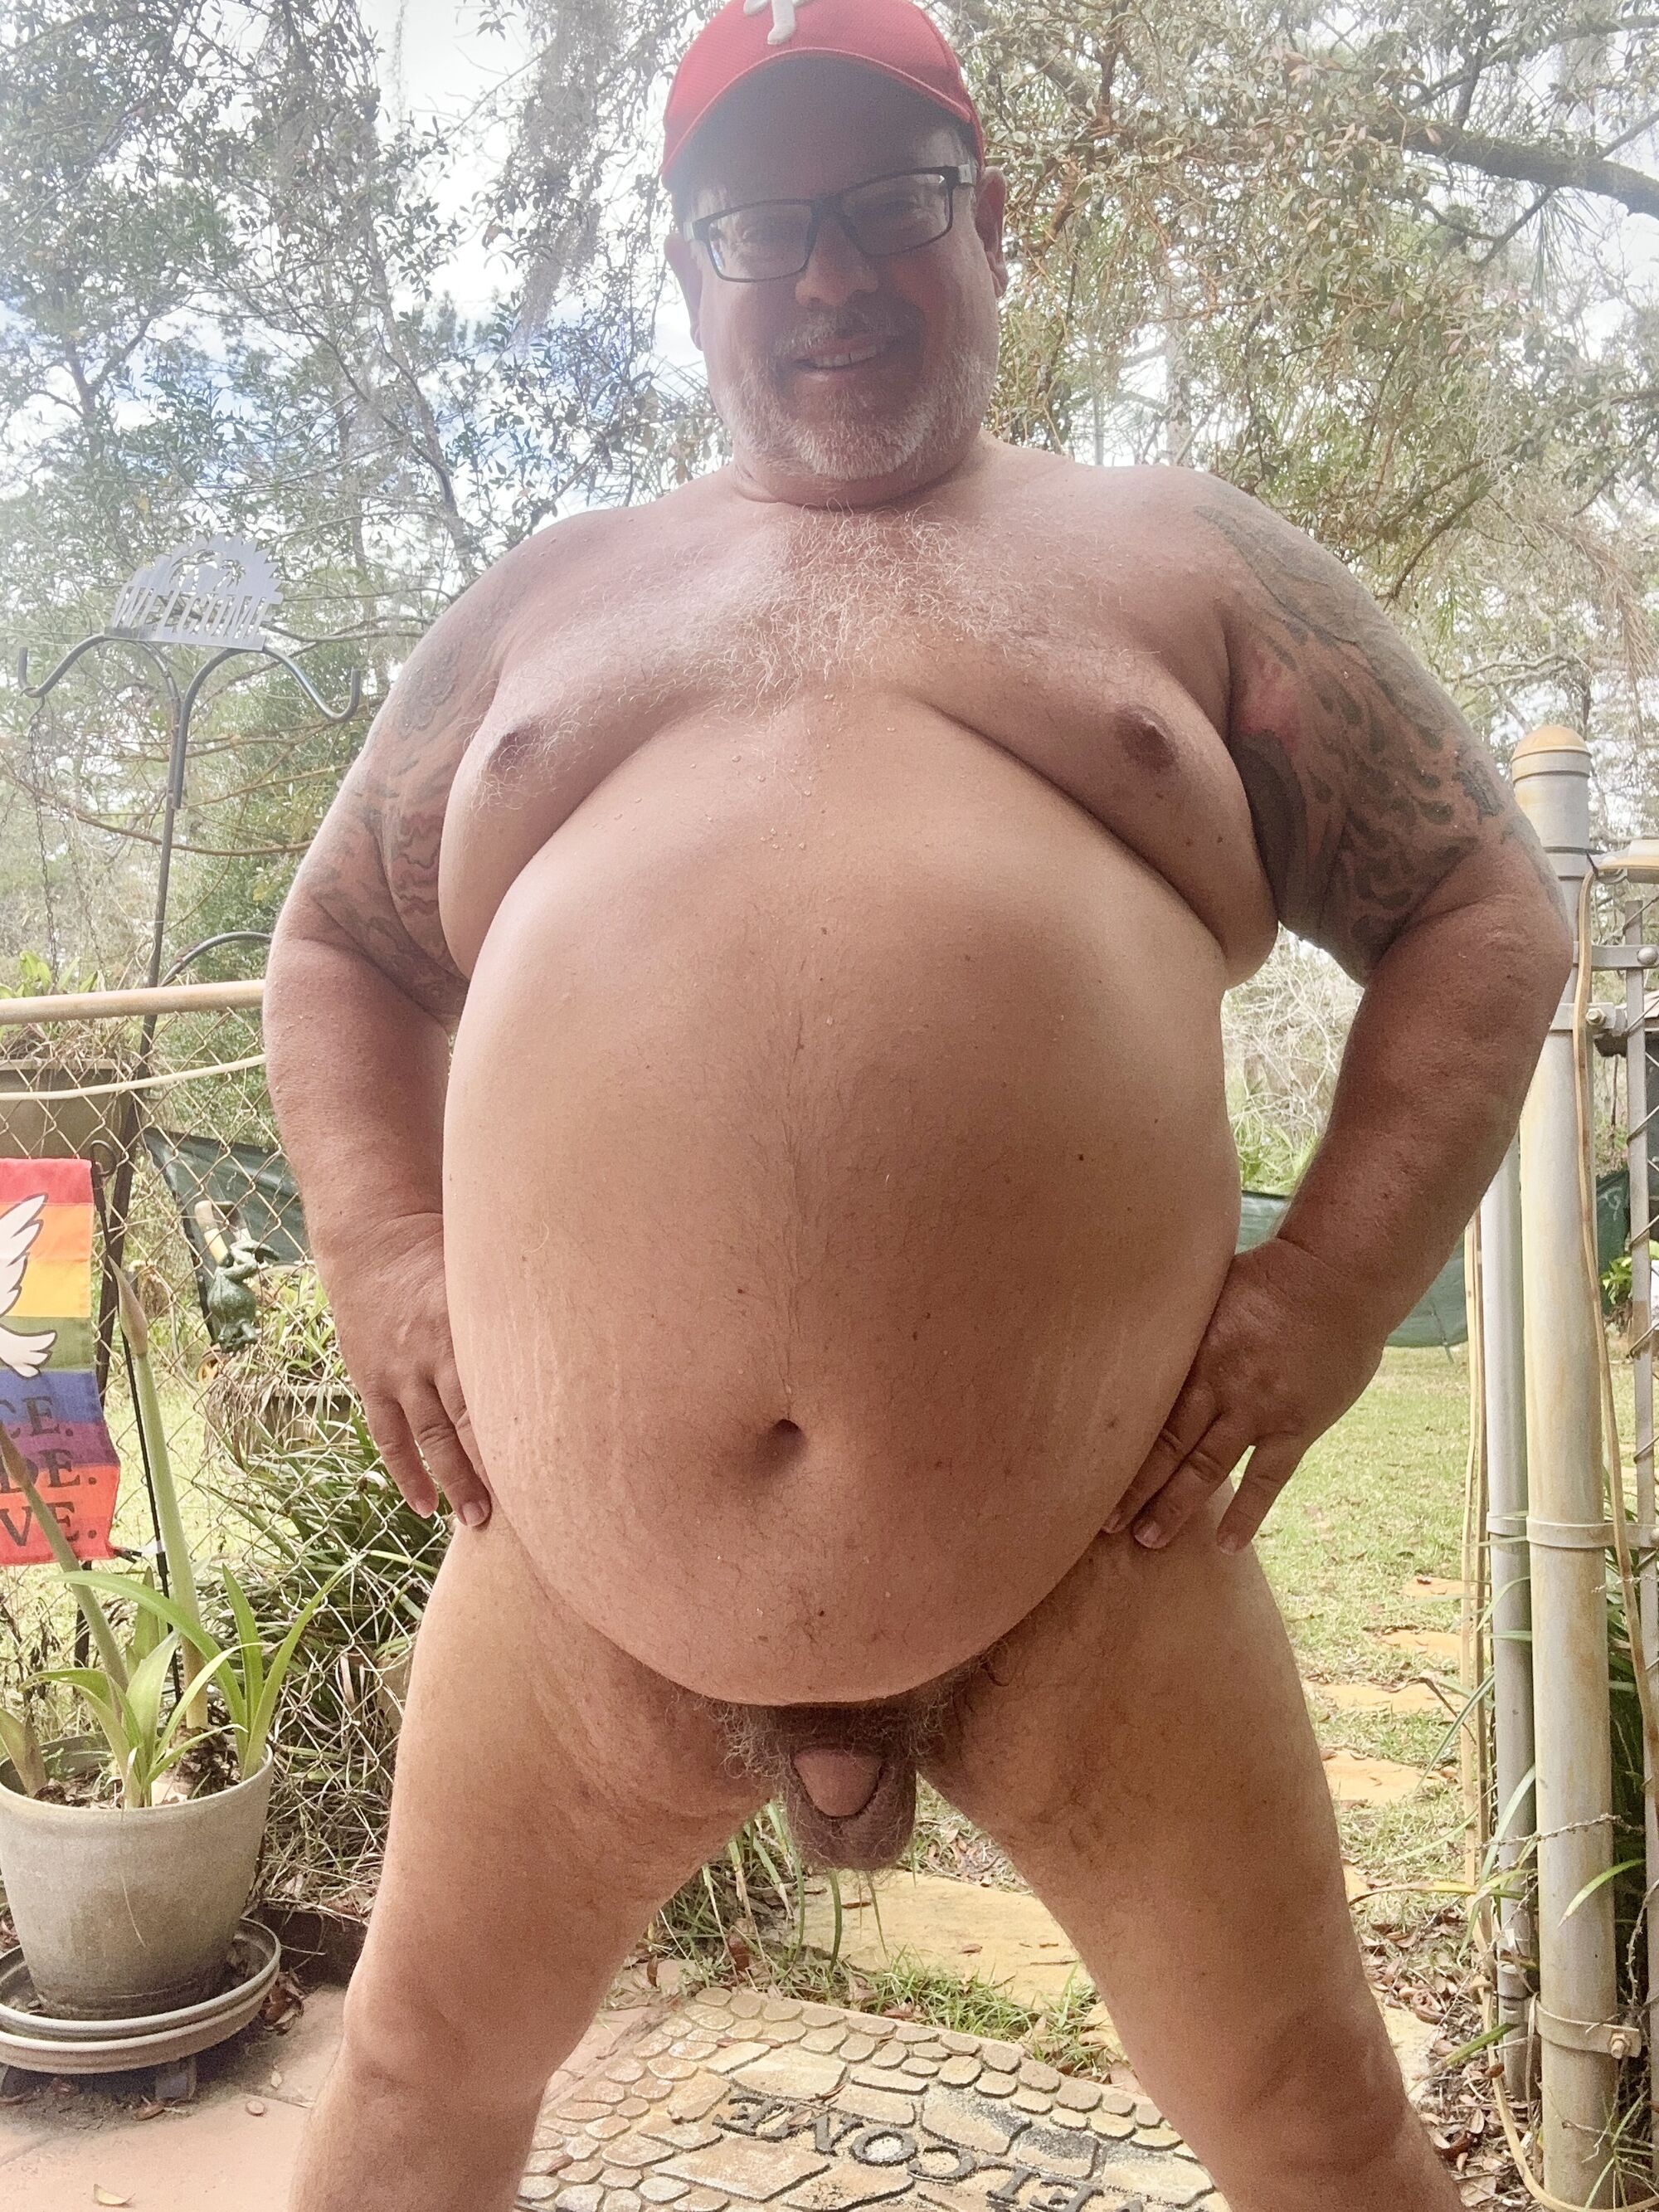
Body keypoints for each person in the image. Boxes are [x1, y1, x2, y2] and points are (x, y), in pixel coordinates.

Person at [267, 2, 1572, 2205]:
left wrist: (1336, 1291)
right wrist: (383, 1250)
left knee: (1320, 2122)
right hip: (575, 1585)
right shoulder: (544, 606)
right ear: (687, 267)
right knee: (412, 2083)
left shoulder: (1185, 564)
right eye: (762, 227)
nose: (831, 275)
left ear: (997, 224)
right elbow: (337, 948)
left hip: (1099, 1564)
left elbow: (1482, 910)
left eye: (891, 206)